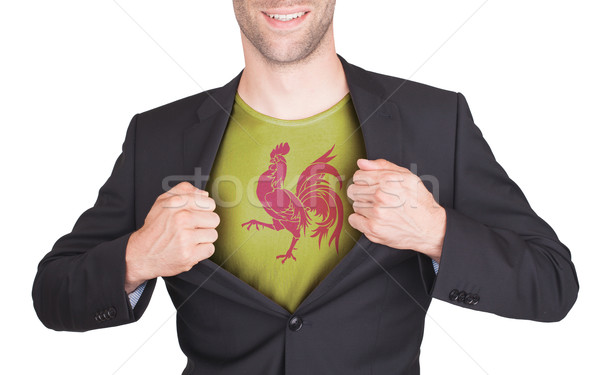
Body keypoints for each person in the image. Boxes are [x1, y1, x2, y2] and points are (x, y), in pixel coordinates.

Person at [32, 1, 579, 374]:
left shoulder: (436, 120)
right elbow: (53, 293)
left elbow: (553, 283)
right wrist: (137, 257)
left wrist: (437, 232)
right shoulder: (158, 136)